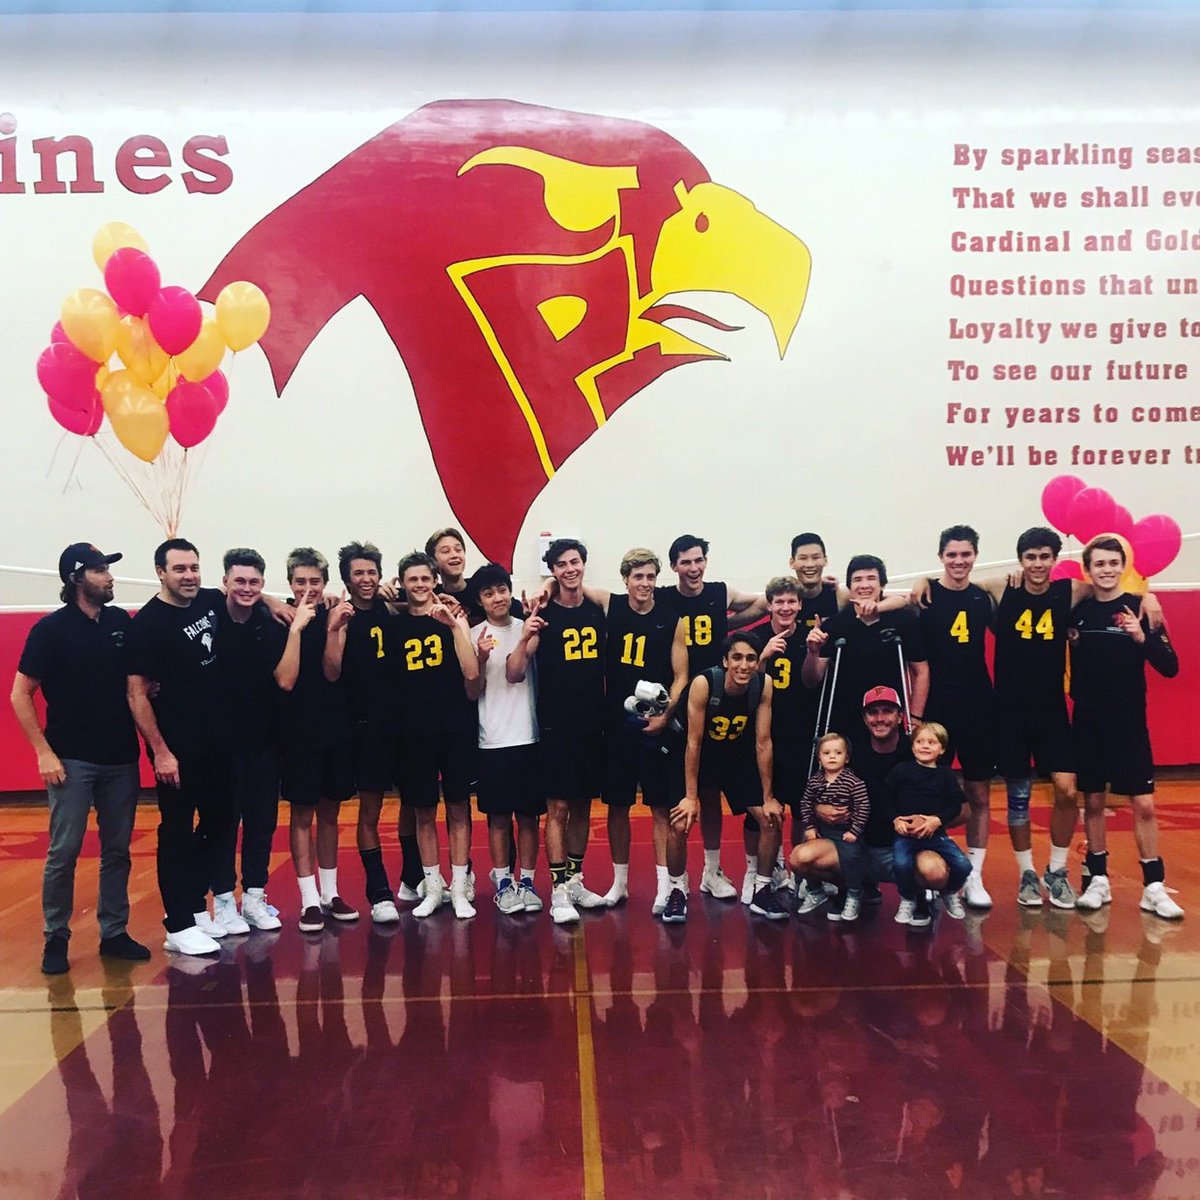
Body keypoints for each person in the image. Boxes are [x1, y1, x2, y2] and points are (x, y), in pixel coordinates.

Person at [11, 543, 150, 973]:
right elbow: (21, 694)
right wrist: (43, 752)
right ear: (76, 578)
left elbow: (134, 685)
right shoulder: (51, 630)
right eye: (100, 570)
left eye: (108, 569)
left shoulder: (119, 622)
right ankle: (56, 936)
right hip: (71, 759)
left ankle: (114, 931)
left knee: (118, 850)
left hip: (120, 758)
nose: (109, 577)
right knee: (65, 850)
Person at [126, 538, 239, 956]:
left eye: (194, 567)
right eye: (180, 569)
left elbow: (245, 592)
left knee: (219, 825)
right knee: (176, 832)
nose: (189, 575)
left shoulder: (209, 600)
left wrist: (276, 604)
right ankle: (176, 924)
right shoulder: (148, 625)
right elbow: (137, 693)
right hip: (177, 751)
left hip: (217, 745)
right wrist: (160, 751)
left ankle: (194, 908)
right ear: (161, 572)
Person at [1070, 536, 1181, 919]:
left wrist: (1141, 637)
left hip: (1128, 722)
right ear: (1089, 569)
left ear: (1123, 566)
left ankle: (1153, 885)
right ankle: (1097, 879)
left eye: (1113, 563)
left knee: (1144, 804)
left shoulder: (1140, 607)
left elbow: (1170, 666)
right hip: (1086, 720)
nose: (1106, 570)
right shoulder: (1078, 610)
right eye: (1098, 564)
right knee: (1094, 801)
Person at [655, 535, 767, 898]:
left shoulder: (721, 592)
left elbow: (764, 601)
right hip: (680, 705)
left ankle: (712, 870)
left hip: (724, 697)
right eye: (685, 562)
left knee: (714, 793)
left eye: (699, 560)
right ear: (673, 566)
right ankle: (672, 885)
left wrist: (812, 582)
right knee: (685, 799)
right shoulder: (664, 597)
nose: (693, 568)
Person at [508, 538, 608, 924]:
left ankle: (577, 878)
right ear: (552, 570)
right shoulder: (542, 613)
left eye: (576, 562)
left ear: (584, 564)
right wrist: (529, 628)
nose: (570, 569)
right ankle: (559, 891)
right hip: (555, 725)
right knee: (558, 808)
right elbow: (516, 671)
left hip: (591, 723)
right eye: (562, 564)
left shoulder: (599, 609)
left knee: (583, 805)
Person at [667, 633, 784, 922]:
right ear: (725, 661)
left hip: (736, 755)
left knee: (770, 818)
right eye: (737, 658)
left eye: (750, 658)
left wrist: (768, 797)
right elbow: (693, 743)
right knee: (682, 819)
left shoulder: (763, 684)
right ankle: (677, 889)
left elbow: (764, 741)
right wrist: (690, 796)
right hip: (700, 754)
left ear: (758, 662)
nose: (743, 665)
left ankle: (762, 889)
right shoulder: (704, 684)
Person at [598, 549, 688, 912]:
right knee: (617, 806)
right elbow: (575, 586)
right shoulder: (613, 607)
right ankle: (619, 883)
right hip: (618, 724)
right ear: (625, 579)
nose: (645, 584)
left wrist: (667, 716)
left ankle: (665, 887)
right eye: (638, 577)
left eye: (651, 577)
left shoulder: (671, 618)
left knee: (660, 808)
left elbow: (681, 673)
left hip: (657, 723)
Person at [913, 525, 996, 917]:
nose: (959, 561)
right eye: (952, 555)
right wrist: (918, 581)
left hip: (979, 707)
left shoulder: (985, 597)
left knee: (979, 794)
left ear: (975, 555)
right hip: (939, 710)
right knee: (930, 793)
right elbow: (896, 605)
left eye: (966, 554)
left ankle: (974, 874)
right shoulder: (925, 595)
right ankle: (935, 873)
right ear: (941, 556)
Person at [392, 550, 481, 919]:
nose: (420, 585)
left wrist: (452, 624)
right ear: (403, 584)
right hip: (414, 732)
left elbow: (471, 671)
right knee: (424, 812)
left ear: (435, 581)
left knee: (459, 807)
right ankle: (432, 886)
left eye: (425, 579)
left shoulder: (452, 618)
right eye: (412, 580)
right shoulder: (395, 623)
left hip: (454, 727)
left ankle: (460, 887)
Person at [322, 541, 406, 924]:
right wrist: (335, 627)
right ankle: (378, 890)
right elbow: (332, 671)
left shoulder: (391, 611)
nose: (366, 579)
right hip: (358, 728)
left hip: (396, 724)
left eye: (372, 571)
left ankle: (414, 877)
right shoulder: (340, 616)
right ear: (346, 579)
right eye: (359, 572)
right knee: (366, 812)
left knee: (412, 803)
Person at [276, 547, 358, 933]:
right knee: (301, 814)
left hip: (335, 730)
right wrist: (293, 623)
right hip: (296, 732)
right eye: (300, 581)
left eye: (315, 581)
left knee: (330, 814)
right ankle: (308, 898)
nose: (308, 588)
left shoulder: (336, 615)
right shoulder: (279, 619)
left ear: (325, 583)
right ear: (290, 583)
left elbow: (331, 671)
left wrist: (331, 628)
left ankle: (330, 893)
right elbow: (286, 680)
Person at [215, 548, 287, 933]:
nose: (246, 588)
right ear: (224, 581)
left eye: (254, 582)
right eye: (239, 580)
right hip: (221, 746)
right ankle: (224, 901)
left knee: (262, 823)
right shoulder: (208, 612)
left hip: (264, 742)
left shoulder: (268, 621)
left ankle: (255, 897)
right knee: (225, 824)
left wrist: (269, 599)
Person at [468, 562, 545, 915]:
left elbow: (516, 672)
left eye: (501, 590)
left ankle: (526, 881)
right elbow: (473, 690)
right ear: (480, 600)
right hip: (493, 738)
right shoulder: (473, 634)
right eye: (488, 593)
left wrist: (527, 634)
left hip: (528, 736)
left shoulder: (528, 626)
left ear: (510, 591)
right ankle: (502, 882)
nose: (497, 597)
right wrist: (481, 658)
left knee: (529, 817)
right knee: (498, 818)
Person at [802, 554, 930, 743]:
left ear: (882, 585)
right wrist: (813, 652)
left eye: (871, 579)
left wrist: (915, 718)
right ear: (849, 587)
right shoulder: (835, 625)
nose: (864, 585)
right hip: (845, 718)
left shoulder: (903, 621)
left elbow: (921, 672)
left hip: (889, 717)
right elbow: (811, 681)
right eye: (857, 580)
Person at [882, 722, 972, 930]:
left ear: (941, 749)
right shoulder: (902, 770)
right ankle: (908, 898)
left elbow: (955, 806)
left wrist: (937, 820)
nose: (925, 746)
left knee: (963, 865)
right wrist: (895, 819)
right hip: (906, 835)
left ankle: (949, 892)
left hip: (935, 835)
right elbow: (886, 799)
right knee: (902, 863)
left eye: (931, 742)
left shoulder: (946, 775)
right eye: (920, 741)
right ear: (912, 747)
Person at [796, 733, 869, 922]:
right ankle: (815, 889)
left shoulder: (853, 782)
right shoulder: (815, 781)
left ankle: (854, 893)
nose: (832, 756)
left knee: (852, 857)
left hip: (845, 831)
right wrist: (810, 826)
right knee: (802, 853)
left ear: (847, 757)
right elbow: (805, 803)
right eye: (827, 752)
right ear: (819, 757)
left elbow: (863, 806)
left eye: (838, 752)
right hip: (821, 829)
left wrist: (855, 831)